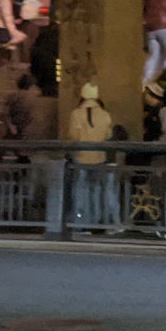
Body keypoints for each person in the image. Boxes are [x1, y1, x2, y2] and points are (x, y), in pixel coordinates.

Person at [68, 82, 119, 226]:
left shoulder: (76, 114)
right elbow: (108, 135)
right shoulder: (105, 115)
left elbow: (73, 136)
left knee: (80, 191)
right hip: (99, 158)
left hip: (80, 158)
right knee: (96, 190)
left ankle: (80, 221)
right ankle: (97, 220)